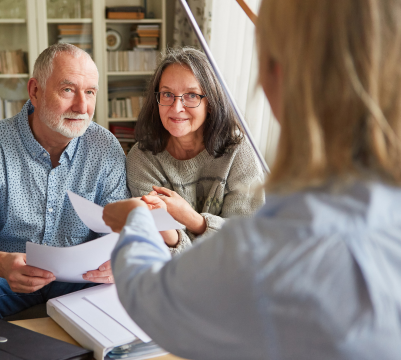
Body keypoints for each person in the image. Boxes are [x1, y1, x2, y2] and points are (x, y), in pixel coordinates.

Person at [104, 0, 401, 358]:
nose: (176, 106)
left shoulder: (266, 249)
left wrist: (137, 221)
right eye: (167, 95)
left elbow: (151, 298)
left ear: (274, 74)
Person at [0, 43, 129, 328]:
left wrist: (117, 258)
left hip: (82, 276)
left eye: (90, 92)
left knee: (131, 288)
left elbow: (120, 226)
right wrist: (2, 265)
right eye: (68, 90)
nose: (82, 107)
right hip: (5, 273)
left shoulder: (105, 147)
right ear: (35, 91)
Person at [127, 47, 264, 254]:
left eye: (191, 95)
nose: (176, 107)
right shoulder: (141, 159)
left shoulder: (238, 150)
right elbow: (156, 248)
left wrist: (192, 219)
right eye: (167, 94)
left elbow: (248, 239)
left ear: (210, 103)